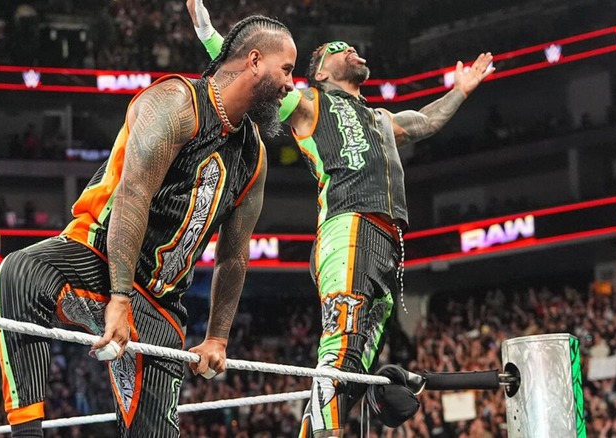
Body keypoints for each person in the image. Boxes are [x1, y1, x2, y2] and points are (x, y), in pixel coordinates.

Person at [187, 1, 494, 435]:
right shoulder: (308, 102)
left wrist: (460, 91)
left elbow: (425, 121)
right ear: (321, 72)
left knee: (357, 364)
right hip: (347, 227)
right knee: (342, 346)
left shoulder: (380, 118)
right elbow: (250, 73)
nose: (351, 49)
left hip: (386, 239)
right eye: (339, 48)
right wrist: (207, 34)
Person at [0, 14, 296, 437]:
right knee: (21, 273)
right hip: (99, 257)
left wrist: (218, 337)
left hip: (161, 303)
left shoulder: (254, 156)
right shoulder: (177, 103)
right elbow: (133, 195)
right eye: (287, 69)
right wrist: (119, 297)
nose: (290, 85)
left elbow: (233, 254)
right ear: (255, 60)